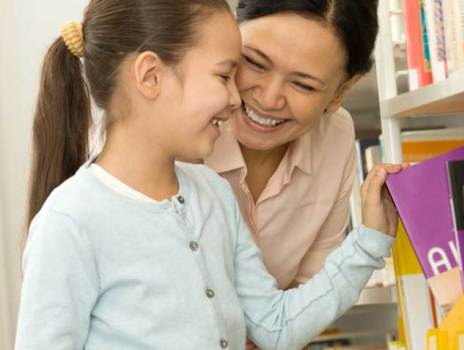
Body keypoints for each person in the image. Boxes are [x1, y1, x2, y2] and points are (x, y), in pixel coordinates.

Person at [16, 0, 402, 349]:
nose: (239, 98)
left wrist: (368, 241)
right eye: (225, 74)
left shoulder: (213, 195)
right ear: (150, 76)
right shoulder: (70, 221)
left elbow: (276, 326)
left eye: (302, 83)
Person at [205, 0, 381, 295]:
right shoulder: (173, 122)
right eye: (255, 63)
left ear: (342, 91)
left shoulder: (335, 137)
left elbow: (308, 297)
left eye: (304, 85)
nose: (270, 98)